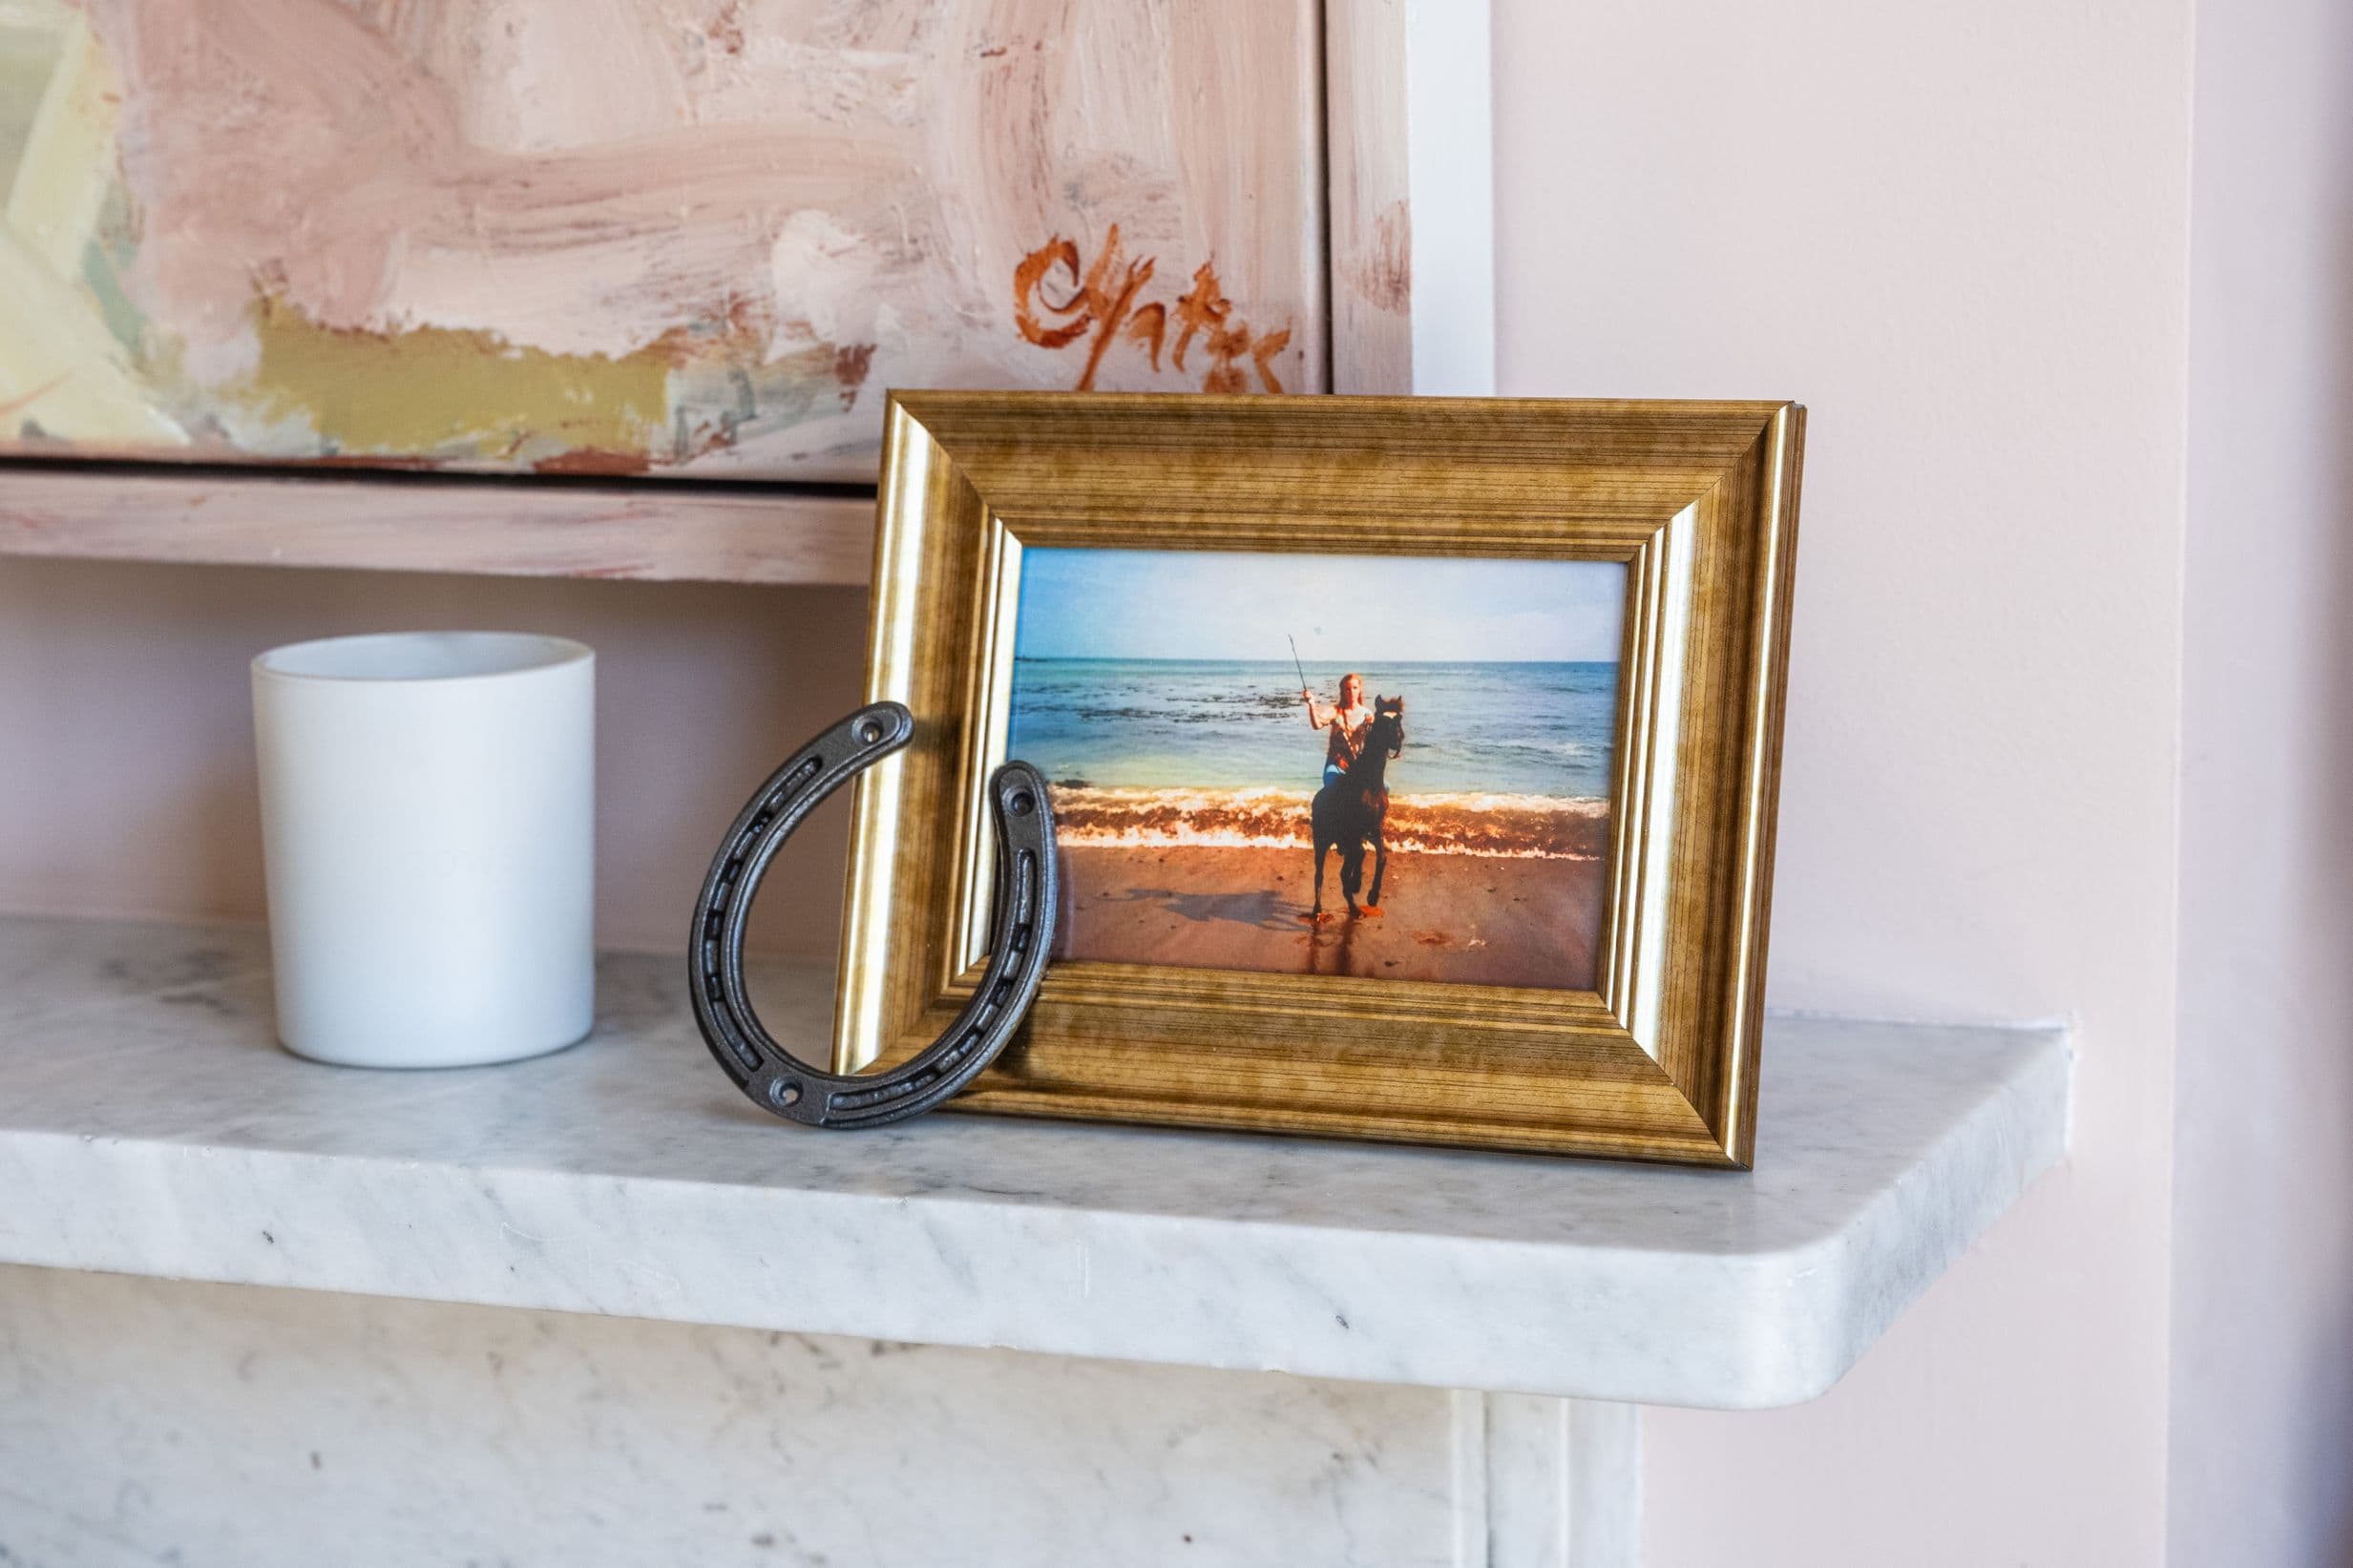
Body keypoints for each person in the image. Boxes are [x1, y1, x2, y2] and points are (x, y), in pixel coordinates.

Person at [1302, 672, 1374, 790]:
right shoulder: (1335, 711)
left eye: (1355, 688)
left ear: (1360, 689)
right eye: (1347, 689)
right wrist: (1312, 705)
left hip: (1358, 765)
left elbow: (1373, 742)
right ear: (1343, 691)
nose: (1351, 692)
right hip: (1337, 764)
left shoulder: (1367, 714)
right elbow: (1317, 725)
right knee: (1332, 785)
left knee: (1385, 787)